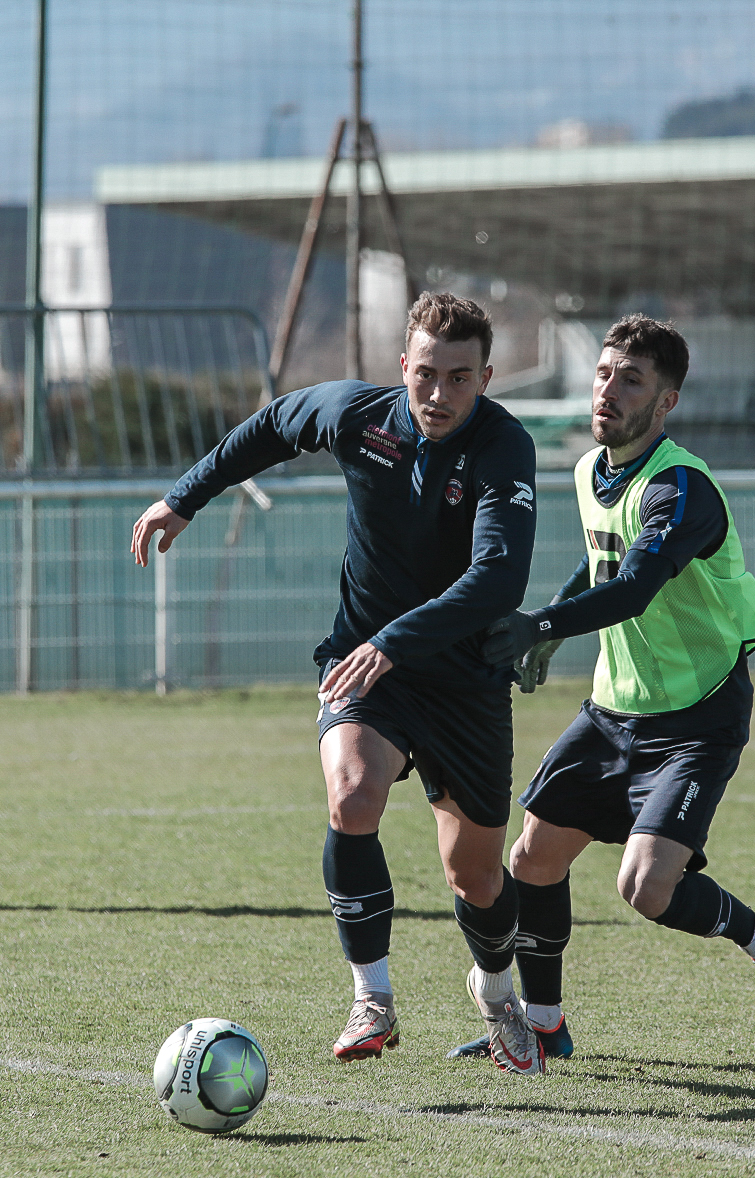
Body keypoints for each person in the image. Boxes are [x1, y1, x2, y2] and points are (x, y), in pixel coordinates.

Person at [133, 294, 547, 1073]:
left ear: (486, 378)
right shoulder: (358, 416)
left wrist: (396, 640)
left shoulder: (503, 447)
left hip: (464, 682)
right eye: (426, 374)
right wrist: (183, 496)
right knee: (353, 796)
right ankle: (371, 998)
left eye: (460, 378)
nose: (439, 393)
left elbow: (498, 578)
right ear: (403, 366)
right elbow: (271, 425)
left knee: (475, 876)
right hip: (364, 667)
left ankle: (497, 995)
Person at [450, 314, 755, 1062]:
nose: (609, 391)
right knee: (533, 860)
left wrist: (535, 623)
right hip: (613, 710)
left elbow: (632, 589)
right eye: (603, 374)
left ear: (666, 401)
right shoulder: (591, 469)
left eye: (631, 380)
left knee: (647, 890)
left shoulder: (679, 489)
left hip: (697, 717)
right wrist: (552, 631)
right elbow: (601, 562)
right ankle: (545, 1026)